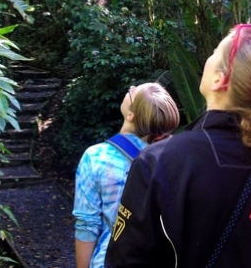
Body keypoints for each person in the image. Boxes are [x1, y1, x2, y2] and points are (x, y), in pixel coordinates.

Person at [105, 24, 251, 268]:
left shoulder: (160, 162)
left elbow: (125, 261)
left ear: (219, 79)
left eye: (215, 52)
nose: (209, 58)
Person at [74, 83, 180, 268]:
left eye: (133, 91)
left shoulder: (97, 157)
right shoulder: (179, 157)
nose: (130, 87)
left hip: (110, 261)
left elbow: (86, 225)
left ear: (131, 115)